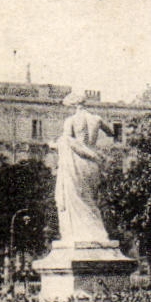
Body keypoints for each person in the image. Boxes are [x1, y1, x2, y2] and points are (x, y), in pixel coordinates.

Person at [54, 90, 116, 246]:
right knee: (91, 200)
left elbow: (68, 141)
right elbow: (112, 133)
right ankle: (96, 233)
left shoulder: (71, 120)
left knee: (78, 197)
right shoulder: (97, 119)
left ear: (74, 105)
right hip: (93, 163)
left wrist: (54, 144)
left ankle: (82, 233)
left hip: (78, 162)